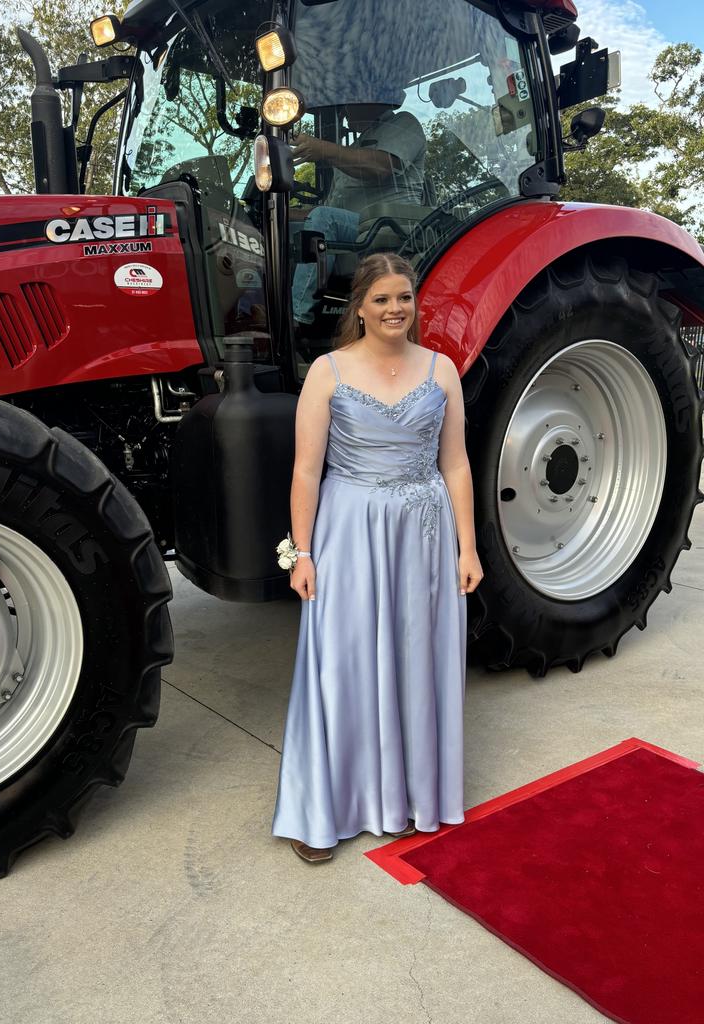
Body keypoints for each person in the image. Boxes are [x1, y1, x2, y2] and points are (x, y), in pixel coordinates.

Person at [272, 252, 484, 863]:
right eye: (383, 299)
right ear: (359, 307)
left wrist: (467, 547)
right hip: (350, 529)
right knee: (342, 663)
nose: (396, 309)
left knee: (417, 658)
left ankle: (412, 797)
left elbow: (456, 465)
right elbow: (306, 472)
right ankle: (325, 810)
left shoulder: (442, 371)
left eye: (405, 298)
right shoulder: (328, 371)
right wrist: (303, 553)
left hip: (423, 531)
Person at [291, 100, 427, 325]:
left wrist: (324, 149)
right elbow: (329, 208)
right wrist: (285, 213)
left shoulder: (402, 123)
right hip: (355, 229)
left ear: (371, 99)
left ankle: (295, 318)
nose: (343, 112)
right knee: (286, 229)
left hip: (390, 226)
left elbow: (382, 167)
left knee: (324, 218)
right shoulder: (353, 148)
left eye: (348, 104)